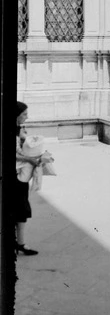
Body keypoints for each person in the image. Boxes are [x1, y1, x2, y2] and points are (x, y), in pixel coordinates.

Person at [15, 101, 40, 255]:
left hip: (18, 176)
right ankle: (20, 244)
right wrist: (31, 160)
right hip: (15, 178)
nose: (27, 117)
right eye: (24, 114)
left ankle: (19, 243)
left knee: (19, 210)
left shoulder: (17, 130)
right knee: (20, 210)